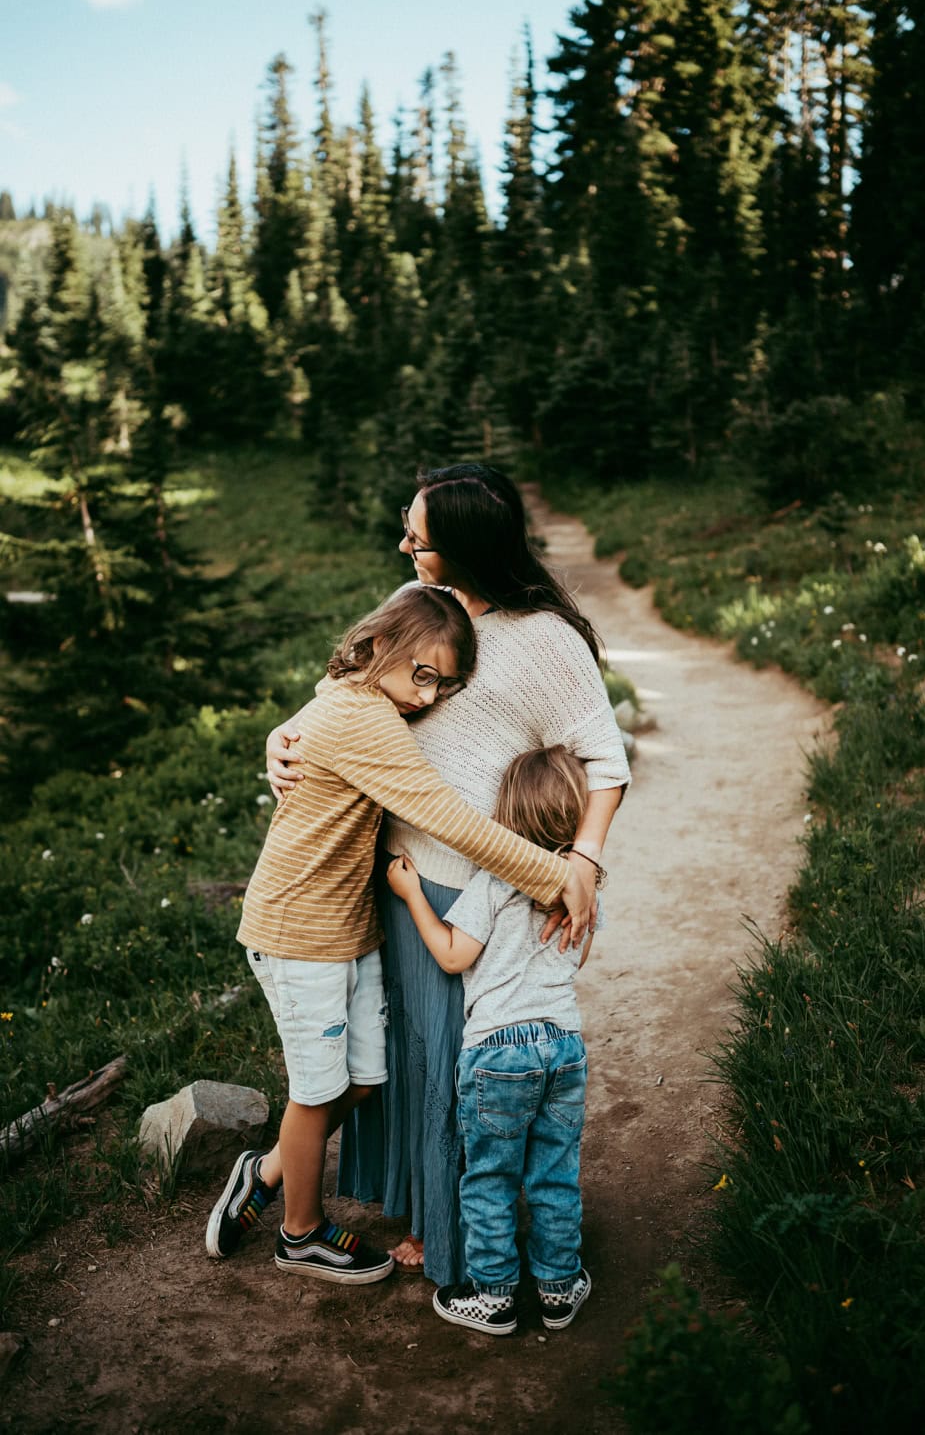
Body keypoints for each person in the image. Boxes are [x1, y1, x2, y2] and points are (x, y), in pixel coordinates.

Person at [267, 463, 629, 1283]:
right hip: (392, 880)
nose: (404, 543)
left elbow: (607, 761)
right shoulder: (418, 608)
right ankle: (420, 1208)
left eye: (418, 535)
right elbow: (338, 690)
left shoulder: (543, 639)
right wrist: (278, 737)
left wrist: (580, 861)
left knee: (467, 1067)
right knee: (406, 1059)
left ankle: (460, 1237)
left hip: (479, 888)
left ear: (462, 547)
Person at [205, 585, 588, 1284]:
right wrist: (557, 875)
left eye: (444, 683)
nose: (428, 696)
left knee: (362, 1081)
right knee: (318, 1093)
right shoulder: (362, 720)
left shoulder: (366, 697)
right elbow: (448, 816)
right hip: (298, 930)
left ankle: (261, 1173)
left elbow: (338, 684)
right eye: (422, 674)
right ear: (380, 646)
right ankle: (299, 1233)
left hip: (348, 929)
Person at [386, 745, 601, 1336]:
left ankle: (494, 1296)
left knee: (490, 1177)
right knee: (554, 1172)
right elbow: (576, 955)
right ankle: (559, 1289)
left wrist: (411, 897)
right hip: (562, 1045)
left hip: (497, 1051)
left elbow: (454, 957)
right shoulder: (582, 888)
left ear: (505, 817)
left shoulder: (494, 880)